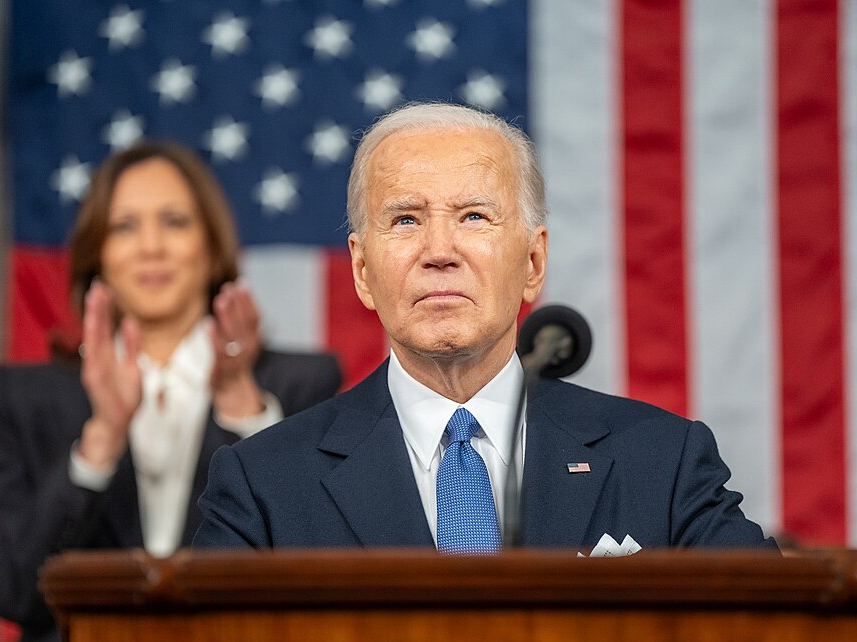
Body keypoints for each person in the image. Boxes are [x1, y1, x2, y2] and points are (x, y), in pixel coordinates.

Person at [193, 102, 774, 554]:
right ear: (363, 271)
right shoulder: (263, 486)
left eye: (474, 216)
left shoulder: (662, 462)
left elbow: (775, 632)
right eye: (405, 219)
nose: (439, 251)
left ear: (533, 263)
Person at [0, 141, 342, 642]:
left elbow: (321, 577)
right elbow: (10, 592)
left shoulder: (299, 385)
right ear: (97, 252)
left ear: (211, 247)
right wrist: (100, 440)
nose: (151, 246)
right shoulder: (26, 398)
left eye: (174, 222)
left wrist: (246, 412)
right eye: (125, 226)